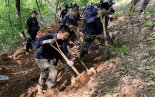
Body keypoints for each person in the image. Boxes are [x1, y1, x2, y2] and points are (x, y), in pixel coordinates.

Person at [34, 25, 74, 94]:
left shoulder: (64, 41)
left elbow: (65, 53)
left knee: (45, 73)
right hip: (41, 57)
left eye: (68, 36)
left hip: (52, 57)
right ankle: (52, 88)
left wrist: (69, 60)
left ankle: (40, 88)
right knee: (53, 70)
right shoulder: (49, 36)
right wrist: (44, 42)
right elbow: (34, 44)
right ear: (60, 33)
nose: (67, 37)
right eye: (66, 35)